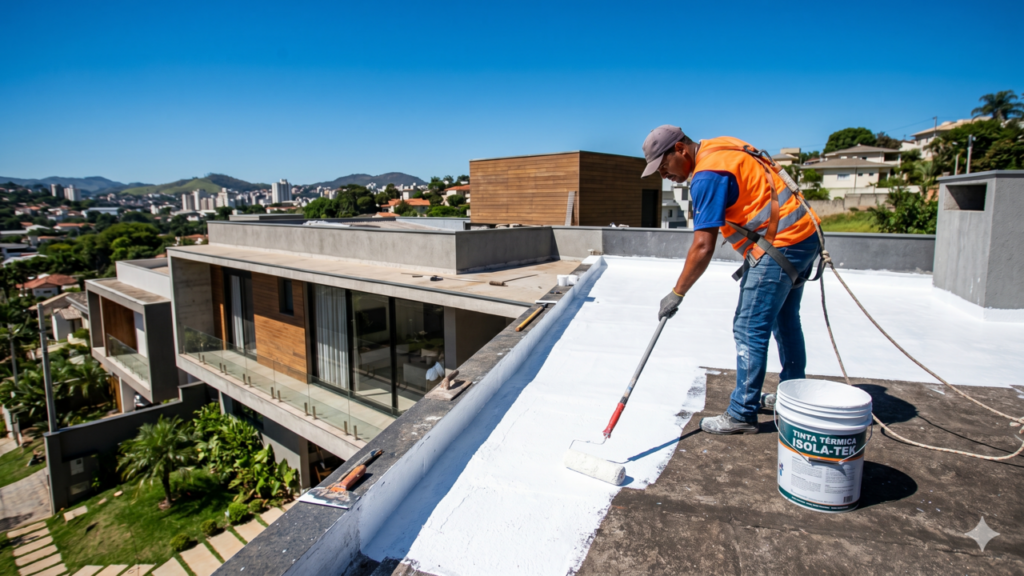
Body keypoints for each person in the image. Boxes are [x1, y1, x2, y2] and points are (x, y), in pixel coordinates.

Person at [640, 125, 822, 434]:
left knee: (749, 326)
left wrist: (677, 293)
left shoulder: (708, 175)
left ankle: (741, 413)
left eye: (663, 167)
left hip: (781, 245)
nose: (664, 176)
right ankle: (793, 399)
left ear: (680, 150)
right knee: (785, 320)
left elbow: (703, 245)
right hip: (804, 236)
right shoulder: (720, 147)